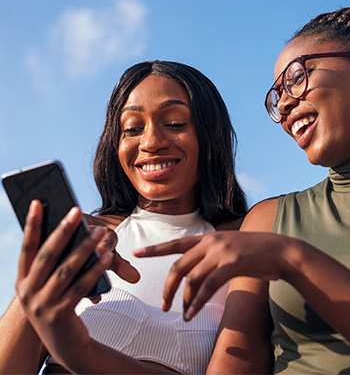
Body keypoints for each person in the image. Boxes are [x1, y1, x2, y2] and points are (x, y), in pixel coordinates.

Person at [134, 0, 350, 374]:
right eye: (277, 98)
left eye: (296, 78)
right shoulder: (270, 220)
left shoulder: (276, 245)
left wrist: (293, 260)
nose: (286, 105)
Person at [0, 61, 248, 374]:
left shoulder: (244, 241)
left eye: (174, 123)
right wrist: (43, 275)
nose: (150, 142)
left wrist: (83, 352)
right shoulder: (85, 237)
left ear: (210, 136)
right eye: (131, 129)